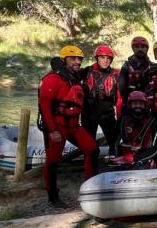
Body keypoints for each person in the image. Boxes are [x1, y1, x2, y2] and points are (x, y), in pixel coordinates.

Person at [38, 46, 98, 208]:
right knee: (52, 161)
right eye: (73, 59)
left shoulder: (74, 77)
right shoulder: (53, 79)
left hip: (73, 126)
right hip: (57, 127)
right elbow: (44, 105)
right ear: (64, 60)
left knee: (92, 149)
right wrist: (53, 130)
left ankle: (92, 186)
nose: (77, 61)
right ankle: (53, 197)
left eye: (80, 59)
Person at [81, 45, 121, 156]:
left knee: (113, 141)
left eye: (108, 58)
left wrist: (119, 116)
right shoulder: (85, 72)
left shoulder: (116, 74)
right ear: (97, 58)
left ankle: (114, 161)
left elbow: (120, 98)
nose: (105, 60)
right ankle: (91, 168)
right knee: (89, 145)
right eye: (102, 57)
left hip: (107, 114)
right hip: (88, 115)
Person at [113, 91, 157, 170]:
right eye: (135, 104)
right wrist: (117, 159)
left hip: (145, 160)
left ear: (145, 105)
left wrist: (137, 159)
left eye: (141, 104)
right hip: (125, 161)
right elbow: (116, 143)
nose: (138, 106)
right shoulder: (122, 122)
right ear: (130, 105)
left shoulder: (154, 124)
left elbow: (156, 149)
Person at [119, 36, 152, 107]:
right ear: (133, 48)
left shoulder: (153, 66)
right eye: (137, 47)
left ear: (147, 49)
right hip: (130, 105)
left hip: (148, 105)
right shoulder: (126, 66)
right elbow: (121, 89)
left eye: (143, 47)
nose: (140, 49)